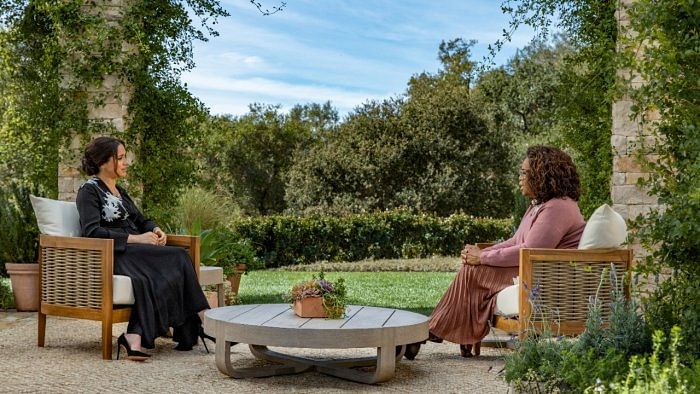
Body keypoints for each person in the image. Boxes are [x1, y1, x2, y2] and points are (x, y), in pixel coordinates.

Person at [423, 146, 586, 358]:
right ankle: (446, 330)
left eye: (524, 173)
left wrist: (482, 257)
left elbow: (530, 250)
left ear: (542, 174)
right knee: (472, 266)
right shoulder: (539, 206)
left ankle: (436, 329)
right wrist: (481, 252)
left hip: (544, 278)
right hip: (531, 270)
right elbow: (516, 241)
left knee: (474, 271)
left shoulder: (558, 208)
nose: (520, 178)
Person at [76, 136, 211, 361]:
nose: (126, 162)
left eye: (124, 156)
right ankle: (205, 321)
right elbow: (91, 232)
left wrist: (156, 230)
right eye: (120, 158)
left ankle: (134, 336)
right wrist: (137, 239)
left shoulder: (120, 191)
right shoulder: (89, 191)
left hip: (137, 253)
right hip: (115, 254)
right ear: (103, 162)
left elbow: (141, 220)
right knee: (178, 256)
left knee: (156, 275)